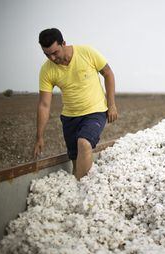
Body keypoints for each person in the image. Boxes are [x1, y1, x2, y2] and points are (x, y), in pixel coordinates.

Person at [33, 28, 118, 180]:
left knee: (84, 143)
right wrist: (39, 136)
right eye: (47, 54)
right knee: (75, 163)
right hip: (70, 118)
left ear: (63, 43)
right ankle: (75, 188)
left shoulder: (86, 52)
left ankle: (82, 191)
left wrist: (111, 104)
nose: (51, 58)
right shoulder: (46, 70)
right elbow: (44, 105)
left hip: (95, 111)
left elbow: (108, 73)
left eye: (55, 52)